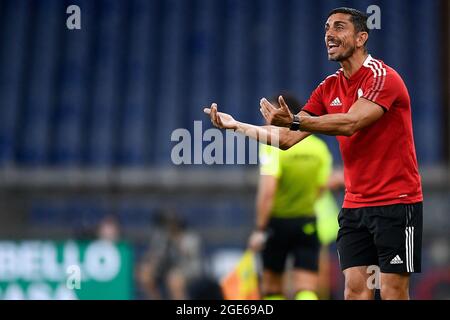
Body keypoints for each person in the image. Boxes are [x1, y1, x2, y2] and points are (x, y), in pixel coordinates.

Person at [204, 7, 423, 300]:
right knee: (355, 290)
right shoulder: (328, 86)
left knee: (393, 290)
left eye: (339, 28)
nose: (329, 35)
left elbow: (350, 122)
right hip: (355, 206)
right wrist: (236, 126)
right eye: (326, 28)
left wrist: (295, 119)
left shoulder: (383, 78)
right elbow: (286, 138)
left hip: (397, 203)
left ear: (361, 37)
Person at [247, 94, 333, 300]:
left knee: (271, 286)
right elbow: (321, 188)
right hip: (307, 221)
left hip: (278, 223)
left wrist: (260, 228)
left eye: (272, 114)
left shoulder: (273, 146)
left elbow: (268, 190)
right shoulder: (318, 148)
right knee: (306, 286)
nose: (267, 120)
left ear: (286, 115)